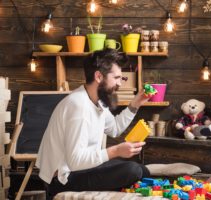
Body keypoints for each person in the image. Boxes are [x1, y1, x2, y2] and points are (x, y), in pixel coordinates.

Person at [36, 49, 151, 199]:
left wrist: (136, 103)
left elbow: (115, 129)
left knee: (142, 170)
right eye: (116, 77)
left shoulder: (96, 101)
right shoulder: (78, 106)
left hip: (81, 168)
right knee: (133, 170)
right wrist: (115, 151)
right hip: (63, 178)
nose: (119, 83)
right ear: (98, 76)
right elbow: (75, 161)